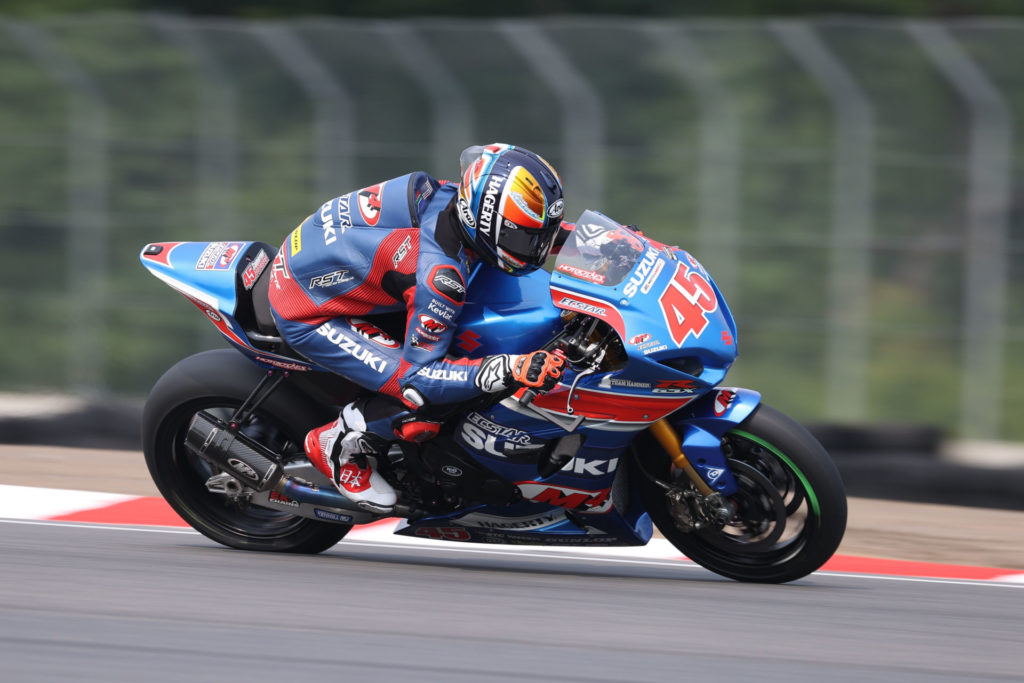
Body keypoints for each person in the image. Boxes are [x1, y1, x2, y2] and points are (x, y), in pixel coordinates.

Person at [268, 144, 569, 512]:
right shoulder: (440, 279)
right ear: (486, 223)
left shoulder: (458, 200)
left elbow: (535, 232)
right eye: (525, 239)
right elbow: (421, 377)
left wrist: (601, 244)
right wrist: (511, 367)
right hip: (310, 310)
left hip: (342, 270)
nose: (537, 248)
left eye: (540, 235)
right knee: (430, 401)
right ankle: (337, 443)